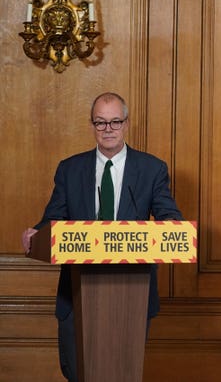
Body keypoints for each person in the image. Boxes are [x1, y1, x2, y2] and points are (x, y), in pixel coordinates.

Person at [21, 92, 183, 382]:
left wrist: (172, 227)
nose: (108, 129)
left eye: (115, 122)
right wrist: (37, 232)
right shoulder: (70, 169)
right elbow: (53, 219)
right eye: (100, 123)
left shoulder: (151, 169)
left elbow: (169, 217)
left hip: (132, 291)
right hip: (77, 291)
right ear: (92, 125)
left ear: (126, 123)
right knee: (76, 372)